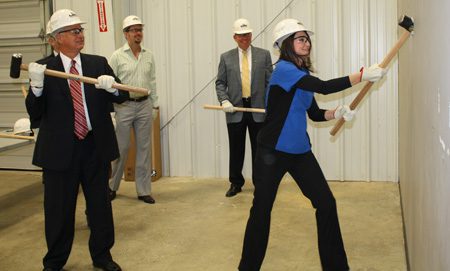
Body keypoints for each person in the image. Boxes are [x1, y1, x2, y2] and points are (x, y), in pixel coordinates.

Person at [238, 18, 386, 271]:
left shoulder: (303, 76)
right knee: (261, 211)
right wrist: (361, 75)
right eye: (300, 39)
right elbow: (325, 87)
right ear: (286, 44)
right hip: (271, 151)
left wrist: (337, 113)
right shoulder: (283, 70)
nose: (306, 43)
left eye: (307, 39)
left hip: (299, 152)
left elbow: (315, 114)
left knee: (326, 204)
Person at [25, 9, 128, 271]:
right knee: (58, 211)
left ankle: (102, 256)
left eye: (80, 30)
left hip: (95, 146)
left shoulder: (97, 64)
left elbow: (121, 98)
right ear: (55, 39)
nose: (80, 34)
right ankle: (54, 261)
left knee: (100, 208)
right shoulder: (43, 69)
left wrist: (112, 86)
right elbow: (35, 114)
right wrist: (36, 88)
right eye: (73, 31)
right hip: (60, 151)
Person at [215, 18, 273, 197]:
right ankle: (235, 183)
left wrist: (270, 103)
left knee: (259, 149)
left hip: (257, 109)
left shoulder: (264, 55)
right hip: (235, 109)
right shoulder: (226, 57)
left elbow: (270, 82)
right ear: (234, 37)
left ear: (251, 34)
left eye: (247, 34)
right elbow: (220, 83)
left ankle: (261, 183)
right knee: (236, 148)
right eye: (240, 35)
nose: (244, 38)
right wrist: (224, 101)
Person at [108, 15, 159, 204]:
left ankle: (144, 190)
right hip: (124, 106)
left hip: (145, 105)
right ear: (126, 34)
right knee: (121, 148)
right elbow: (109, 83)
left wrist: (154, 104)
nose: (138, 33)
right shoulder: (117, 57)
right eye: (134, 30)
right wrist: (112, 109)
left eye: (140, 29)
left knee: (144, 150)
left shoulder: (149, 55)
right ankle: (112, 186)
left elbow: (152, 81)